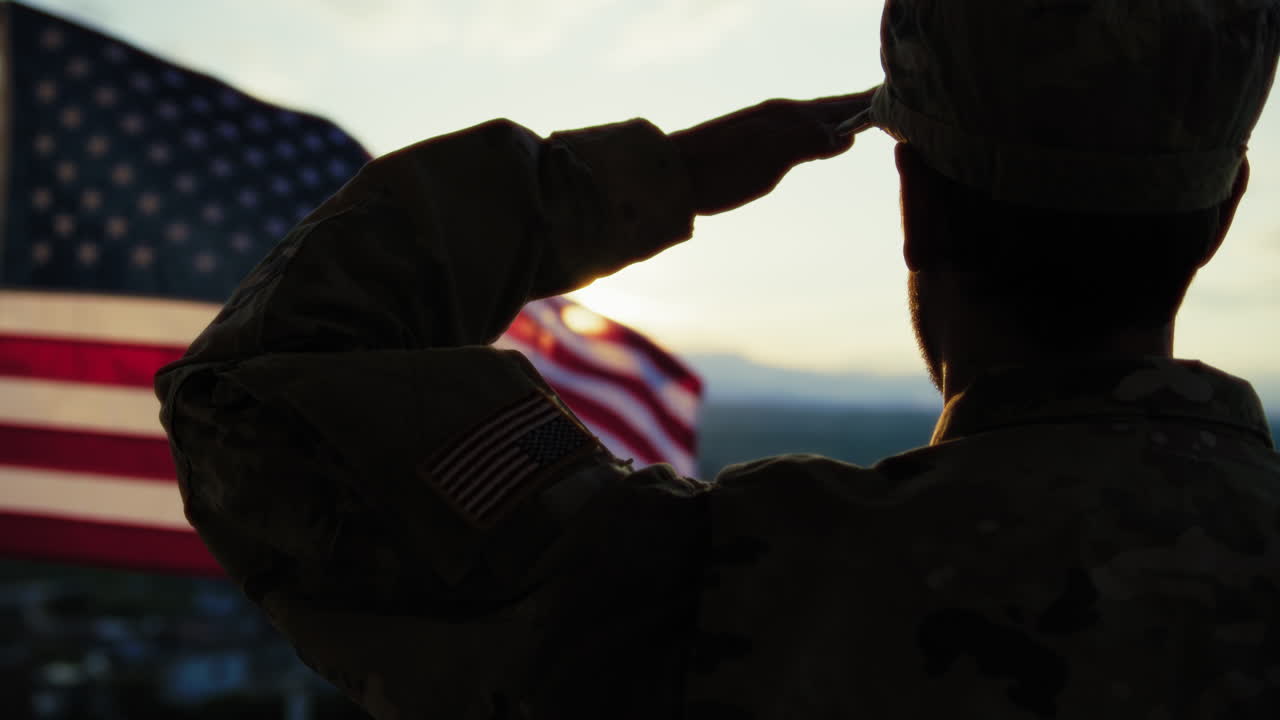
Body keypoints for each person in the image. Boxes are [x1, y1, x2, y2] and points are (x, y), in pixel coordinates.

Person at [155, 1, 1280, 717]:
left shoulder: (724, 588)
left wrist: (652, 181)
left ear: (912, 209)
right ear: (1222, 209)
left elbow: (264, 386)